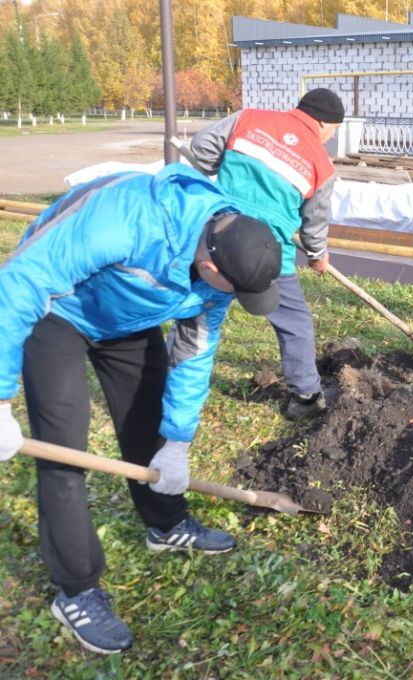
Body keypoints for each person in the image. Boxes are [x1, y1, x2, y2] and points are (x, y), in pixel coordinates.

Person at [0, 164, 282, 654]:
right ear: (214, 268)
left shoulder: (226, 256)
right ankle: (77, 589)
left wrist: (178, 440)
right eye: (235, 291)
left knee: (148, 425)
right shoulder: (126, 218)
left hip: (129, 318)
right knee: (64, 451)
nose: (233, 300)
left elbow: (194, 354)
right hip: (58, 312)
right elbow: (20, 282)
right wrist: (0, 399)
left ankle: (167, 524)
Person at [187, 87, 343, 419]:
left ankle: (178, 378)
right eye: (334, 130)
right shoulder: (322, 164)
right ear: (323, 123)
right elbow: (314, 221)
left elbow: (200, 149)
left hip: (218, 235)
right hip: (268, 254)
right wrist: (317, 255)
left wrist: (228, 177)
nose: (330, 138)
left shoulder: (247, 118)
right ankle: (306, 398)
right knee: (294, 322)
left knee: (199, 312)